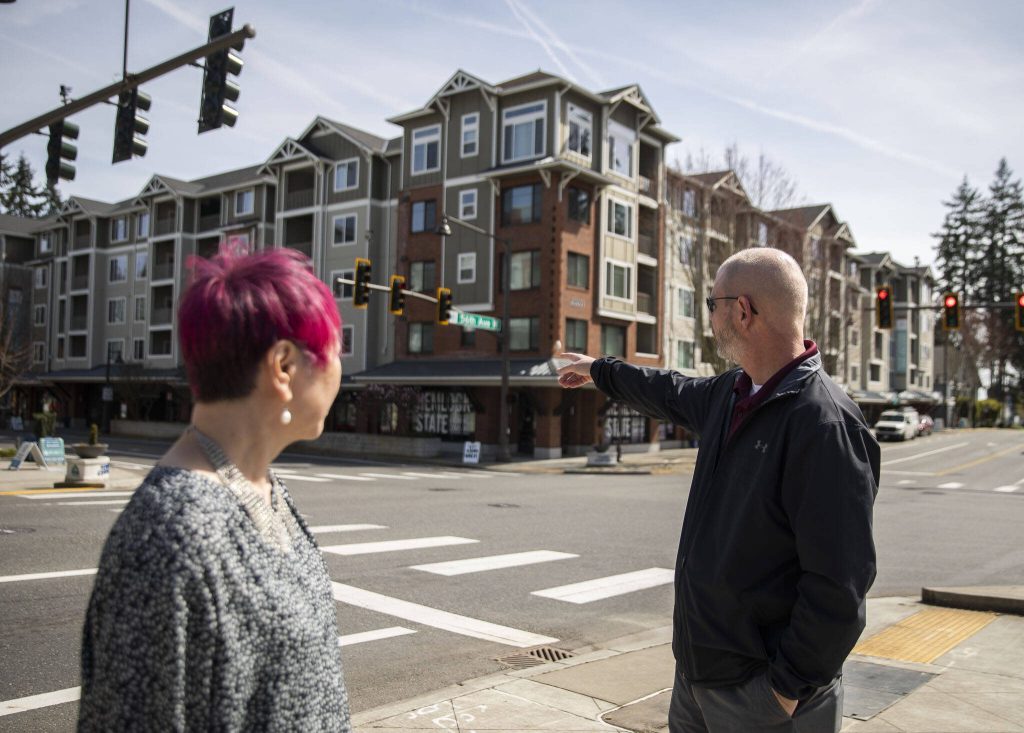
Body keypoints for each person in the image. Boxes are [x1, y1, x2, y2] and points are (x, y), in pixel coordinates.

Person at [558, 248, 878, 733]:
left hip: (763, 697)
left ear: (742, 311)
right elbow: (667, 389)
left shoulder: (824, 424)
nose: (709, 315)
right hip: (696, 679)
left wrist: (785, 689)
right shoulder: (733, 393)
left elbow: (840, 587)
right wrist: (597, 369)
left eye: (712, 303)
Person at [78, 246, 351, 732]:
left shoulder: (260, 487)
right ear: (284, 367)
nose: (338, 369)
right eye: (333, 350)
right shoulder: (170, 540)